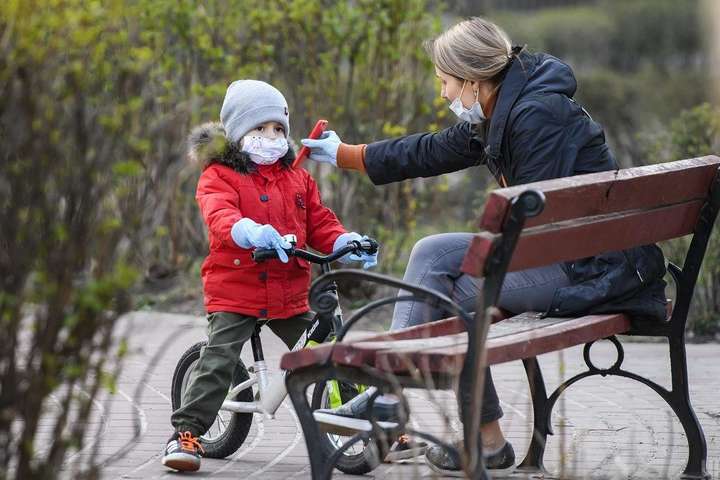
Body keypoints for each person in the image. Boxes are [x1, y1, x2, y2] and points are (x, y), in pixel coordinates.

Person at [302, 17, 668, 476]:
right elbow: (433, 150)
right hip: (576, 256)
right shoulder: (508, 106)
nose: (443, 96)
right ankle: (410, 407)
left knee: (448, 298)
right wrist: (345, 154)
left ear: (473, 81)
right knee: (432, 253)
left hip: (593, 271)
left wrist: (485, 259)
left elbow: (542, 223)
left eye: (446, 83)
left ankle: (442, 420)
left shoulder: (534, 117)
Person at [161, 80, 378, 472]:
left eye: (278, 129)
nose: (271, 137)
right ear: (239, 132)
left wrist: (346, 240)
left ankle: (368, 425)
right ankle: (187, 433)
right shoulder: (218, 177)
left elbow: (319, 221)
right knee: (220, 359)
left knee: (333, 348)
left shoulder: (296, 178)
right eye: (260, 129)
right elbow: (219, 215)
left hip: (288, 292)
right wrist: (247, 231)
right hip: (236, 289)